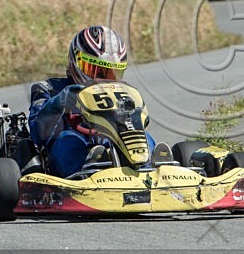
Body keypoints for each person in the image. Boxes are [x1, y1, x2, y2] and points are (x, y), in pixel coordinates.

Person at [28, 26, 159, 178]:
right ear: (76, 62)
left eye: (112, 73)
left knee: (145, 137)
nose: (103, 79)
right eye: (96, 71)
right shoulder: (50, 89)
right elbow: (37, 131)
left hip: (112, 137)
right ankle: (83, 176)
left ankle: (152, 168)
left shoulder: (120, 92)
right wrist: (61, 101)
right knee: (69, 141)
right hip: (72, 143)